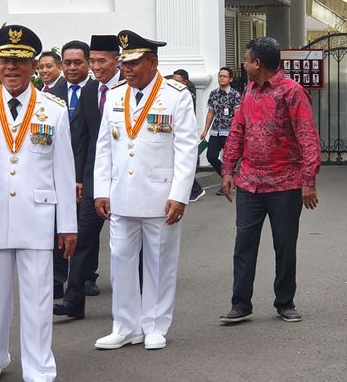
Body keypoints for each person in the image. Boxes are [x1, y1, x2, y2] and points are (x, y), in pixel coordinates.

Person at [0, 24, 77, 382]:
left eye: (19, 61)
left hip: (37, 214)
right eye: (4, 61)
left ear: (33, 66)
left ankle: (39, 366)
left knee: (39, 296)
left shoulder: (52, 110)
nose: (11, 67)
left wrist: (68, 225)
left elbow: (63, 169)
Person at [93, 30, 198, 351]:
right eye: (124, 62)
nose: (126, 69)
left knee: (159, 262)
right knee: (121, 260)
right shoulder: (115, 95)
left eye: (134, 63)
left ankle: (155, 324)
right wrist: (101, 189)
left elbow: (186, 149)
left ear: (153, 62)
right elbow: (104, 147)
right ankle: (125, 326)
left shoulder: (176, 95)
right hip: (121, 194)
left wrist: (180, 195)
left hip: (160, 195)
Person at [219, 37, 321, 325]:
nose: (243, 63)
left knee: (285, 245)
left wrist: (308, 179)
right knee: (244, 244)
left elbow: (307, 136)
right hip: (250, 183)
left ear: (257, 63)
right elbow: (237, 130)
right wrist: (228, 169)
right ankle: (240, 304)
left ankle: (285, 302)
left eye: (246, 58)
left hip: (285, 184)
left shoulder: (292, 93)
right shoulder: (248, 90)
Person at [54, 34, 121, 319]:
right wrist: (79, 178)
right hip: (95, 177)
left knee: (128, 244)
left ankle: (138, 298)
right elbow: (81, 137)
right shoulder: (91, 90)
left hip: (127, 177)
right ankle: (74, 300)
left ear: (116, 61)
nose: (95, 66)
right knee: (82, 239)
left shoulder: (130, 87)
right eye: (92, 61)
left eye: (100, 61)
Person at [49, 40, 91, 298]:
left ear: (87, 63)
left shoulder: (97, 92)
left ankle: (85, 277)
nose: (72, 67)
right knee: (57, 226)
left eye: (78, 62)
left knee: (84, 229)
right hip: (57, 174)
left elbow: (95, 140)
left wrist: (83, 177)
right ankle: (56, 278)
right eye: (67, 63)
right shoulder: (52, 94)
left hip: (85, 170)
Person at [200, 67, 242, 195]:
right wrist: (205, 130)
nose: (221, 78)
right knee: (211, 156)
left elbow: (237, 114)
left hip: (229, 131)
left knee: (228, 158)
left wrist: (236, 131)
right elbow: (211, 112)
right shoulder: (213, 93)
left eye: (224, 76)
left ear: (230, 79)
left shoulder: (235, 94)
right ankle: (228, 177)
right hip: (215, 131)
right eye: (220, 76)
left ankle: (227, 182)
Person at [171, 69, 205, 202]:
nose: (174, 83)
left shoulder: (186, 95)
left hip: (184, 131)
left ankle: (195, 190)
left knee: (182, 162)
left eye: (178, 81)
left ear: (185, 82)